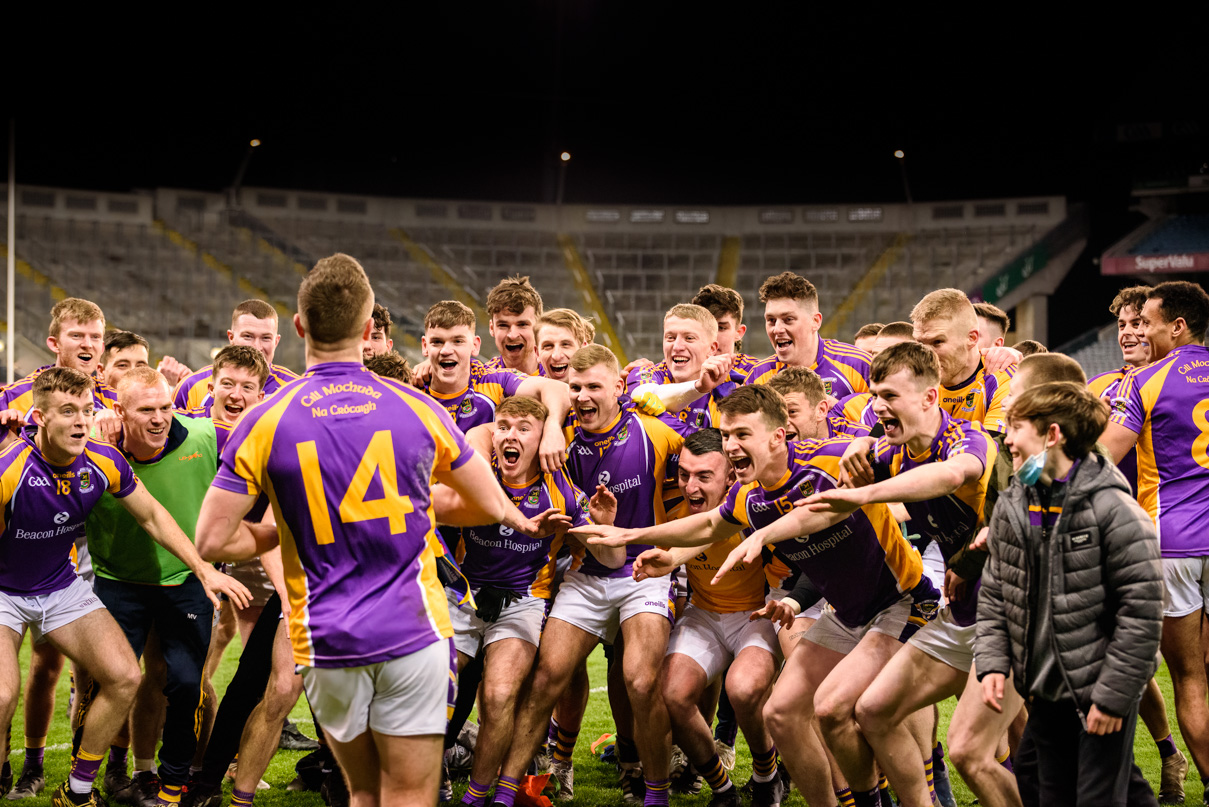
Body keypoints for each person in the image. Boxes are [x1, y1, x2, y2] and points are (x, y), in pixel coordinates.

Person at [195, 253, 517, 807]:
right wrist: (410, 504)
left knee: (363, 793)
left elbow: (212, 542)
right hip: (414, 630)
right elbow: (488, 504)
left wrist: (286, 527)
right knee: (411, 794)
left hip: (326, 637)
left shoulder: (264, 419)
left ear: (298, 327)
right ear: (370, 331)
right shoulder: (417, 407)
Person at [576, 384, 927, 807]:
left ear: (778, 437)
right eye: (727, 435)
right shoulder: (750, 496)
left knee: (842, 710)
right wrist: (633, 535)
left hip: (900, 602)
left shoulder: (830, 458)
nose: (732, 445)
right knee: (781, 714)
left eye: (742, 435)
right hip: (845, 614)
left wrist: (871, 440)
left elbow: (881, 469)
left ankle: (918, 793)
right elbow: (706, 527)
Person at [0, 368, 243, 807]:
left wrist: (204, 570)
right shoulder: (8, 470)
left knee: (127, 676)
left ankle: (76, 791)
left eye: (85, 411)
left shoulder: (104, 460)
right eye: (67, 412)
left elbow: (152, 516)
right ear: (38, 416)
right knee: (2, 693)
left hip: (59, 587)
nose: (79, 421)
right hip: (5, 591)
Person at [489, 344, 683, 807]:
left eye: (594, 386)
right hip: (586, 572)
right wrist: (554, 422)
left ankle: (655, 790)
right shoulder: (557, 441)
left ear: (620, 388)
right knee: (546, 677)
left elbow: (701, 490)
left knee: (639, 679)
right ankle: (506, 789)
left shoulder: (657, 434)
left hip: (644, 572)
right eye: (576, 387)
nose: (582, 396)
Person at [805, 342, 995, 807]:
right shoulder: (892, 452)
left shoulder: (967, 439)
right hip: (965, 607)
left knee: (985, 752)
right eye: (875, 395)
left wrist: (862, 494)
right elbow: (871, 447)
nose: (878, 406)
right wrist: (862, 445)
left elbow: (953, 476)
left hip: (1013, 608)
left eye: (890, 395)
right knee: (865, 710)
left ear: (930, 398)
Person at [977, 381, 1162, 806]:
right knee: (1051, 791)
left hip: (1099, 686)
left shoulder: (1114, 509)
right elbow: (996, 594)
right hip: (1044, 690)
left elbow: (1142, 613)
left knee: (1097, 798)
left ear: (1053, 434)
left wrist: (1113, 696)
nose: (1006, 438)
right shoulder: (1013, 504)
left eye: (1015, 426)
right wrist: (992, 663)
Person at [82, 368, 254, 807]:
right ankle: (89, 780)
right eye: (146, 410)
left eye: (165, 407)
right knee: (108, 683)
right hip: (118, 581)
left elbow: (266, 448)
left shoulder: (205, 436)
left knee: (184, 683)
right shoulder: (94, 446)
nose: (160, 419)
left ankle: (175, 785)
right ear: (120, 411)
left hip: (189, 579)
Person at [447, 396, 618, 806]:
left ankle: (482, 794)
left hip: (522, 602)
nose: (510, 434)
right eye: (503, 425)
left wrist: (605, 528)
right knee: (434, 685)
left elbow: (613, 559)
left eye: (524, 428)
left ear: (542, 439)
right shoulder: (477, 475)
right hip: (465, 597)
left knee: (499, 694)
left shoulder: (561, 493)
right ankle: (426, 772)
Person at [630, 429, 782, 807]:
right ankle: (722, 789)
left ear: (731, 475)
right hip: (704, 613)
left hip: (757, 613)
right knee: (671, 694)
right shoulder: (666, 501)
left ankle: (767, 776)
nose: (689, 486)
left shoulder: (757, 504)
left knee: (744, 689)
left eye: (703, 476)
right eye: (684, 474)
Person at [1100, 280, 1209, 803]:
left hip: (1171, 541)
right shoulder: (1120, 380)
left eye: (1146, 321)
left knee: (1187, 675)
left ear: (1176, 326)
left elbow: (1096, 459)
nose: (1138, 330)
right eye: (1129, 323)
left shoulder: (1144, 383)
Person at [744, 273, 872, 398]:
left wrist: (838, 409)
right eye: (771, 320)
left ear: (815, 321)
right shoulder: (758, 376)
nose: (777, 329)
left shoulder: (858, 365)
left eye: (788, 319)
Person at [910, 289, 1013, 437]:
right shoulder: (910, 377)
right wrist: (868, 442)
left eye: (937, 342)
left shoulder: (1003, 380)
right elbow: (880, 440)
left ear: (971, 338)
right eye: (919, 342)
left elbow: (991, 454)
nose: (925, 355)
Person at [626, 304, 735, 436]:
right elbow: (651, 397)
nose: (677, 346)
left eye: (689, 338)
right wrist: (699, 387)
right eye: (670, 338)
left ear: (712, 349)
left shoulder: (733, 388)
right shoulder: (643, 372)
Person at [167, 300, 298, 409]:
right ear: (231, 337)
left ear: (276, 341)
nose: (257, 347)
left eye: (266, 338)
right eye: (248, 336)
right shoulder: (191, 386)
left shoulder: (295, 390)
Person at [690, 284, 759, 380]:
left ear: (739, 332)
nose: (712, 336)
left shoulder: (758, 372)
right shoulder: (670, 370)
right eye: (704, 327)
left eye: (721, 328)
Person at [482, 276, 544, 376]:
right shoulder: (481, 381)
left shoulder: (561, 376)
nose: (512, 335)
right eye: (503, 325)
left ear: (539, 328)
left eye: (522, 324)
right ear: (492, 328)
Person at [535, 309, 594, 383]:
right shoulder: (525, 392)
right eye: (548, 346)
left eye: (565, 344)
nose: (556, 356)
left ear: (583, 350)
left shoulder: (608, 391)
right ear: (537, 353)